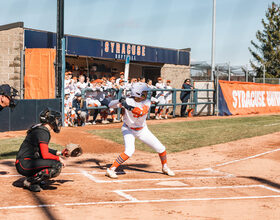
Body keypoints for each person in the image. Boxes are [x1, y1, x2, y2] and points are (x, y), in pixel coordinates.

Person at [106, 82, 175, 178]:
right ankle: (110, 169)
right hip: (128, 129)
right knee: (129, 151)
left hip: (142, 130)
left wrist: (127, 106)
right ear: (137, 93)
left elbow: (141, 112)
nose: (146, 94)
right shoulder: (128, 100)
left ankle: (165, 167)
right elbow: (110, 105)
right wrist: (119, 100)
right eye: (144, 92)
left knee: (161, 148)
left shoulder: (146, 102)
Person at [15, 108, 65, 192]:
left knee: (45, 158)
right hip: (25, 164)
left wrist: (59, 153)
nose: (58, 122)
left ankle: (34, 178)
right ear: (51, 120)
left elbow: (42, 149)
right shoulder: (43, 132)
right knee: (57, 165)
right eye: (56, 119)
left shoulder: (40, 129)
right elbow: (45, 154)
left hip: (25, 163)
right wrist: (58, 158)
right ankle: (31, 182)